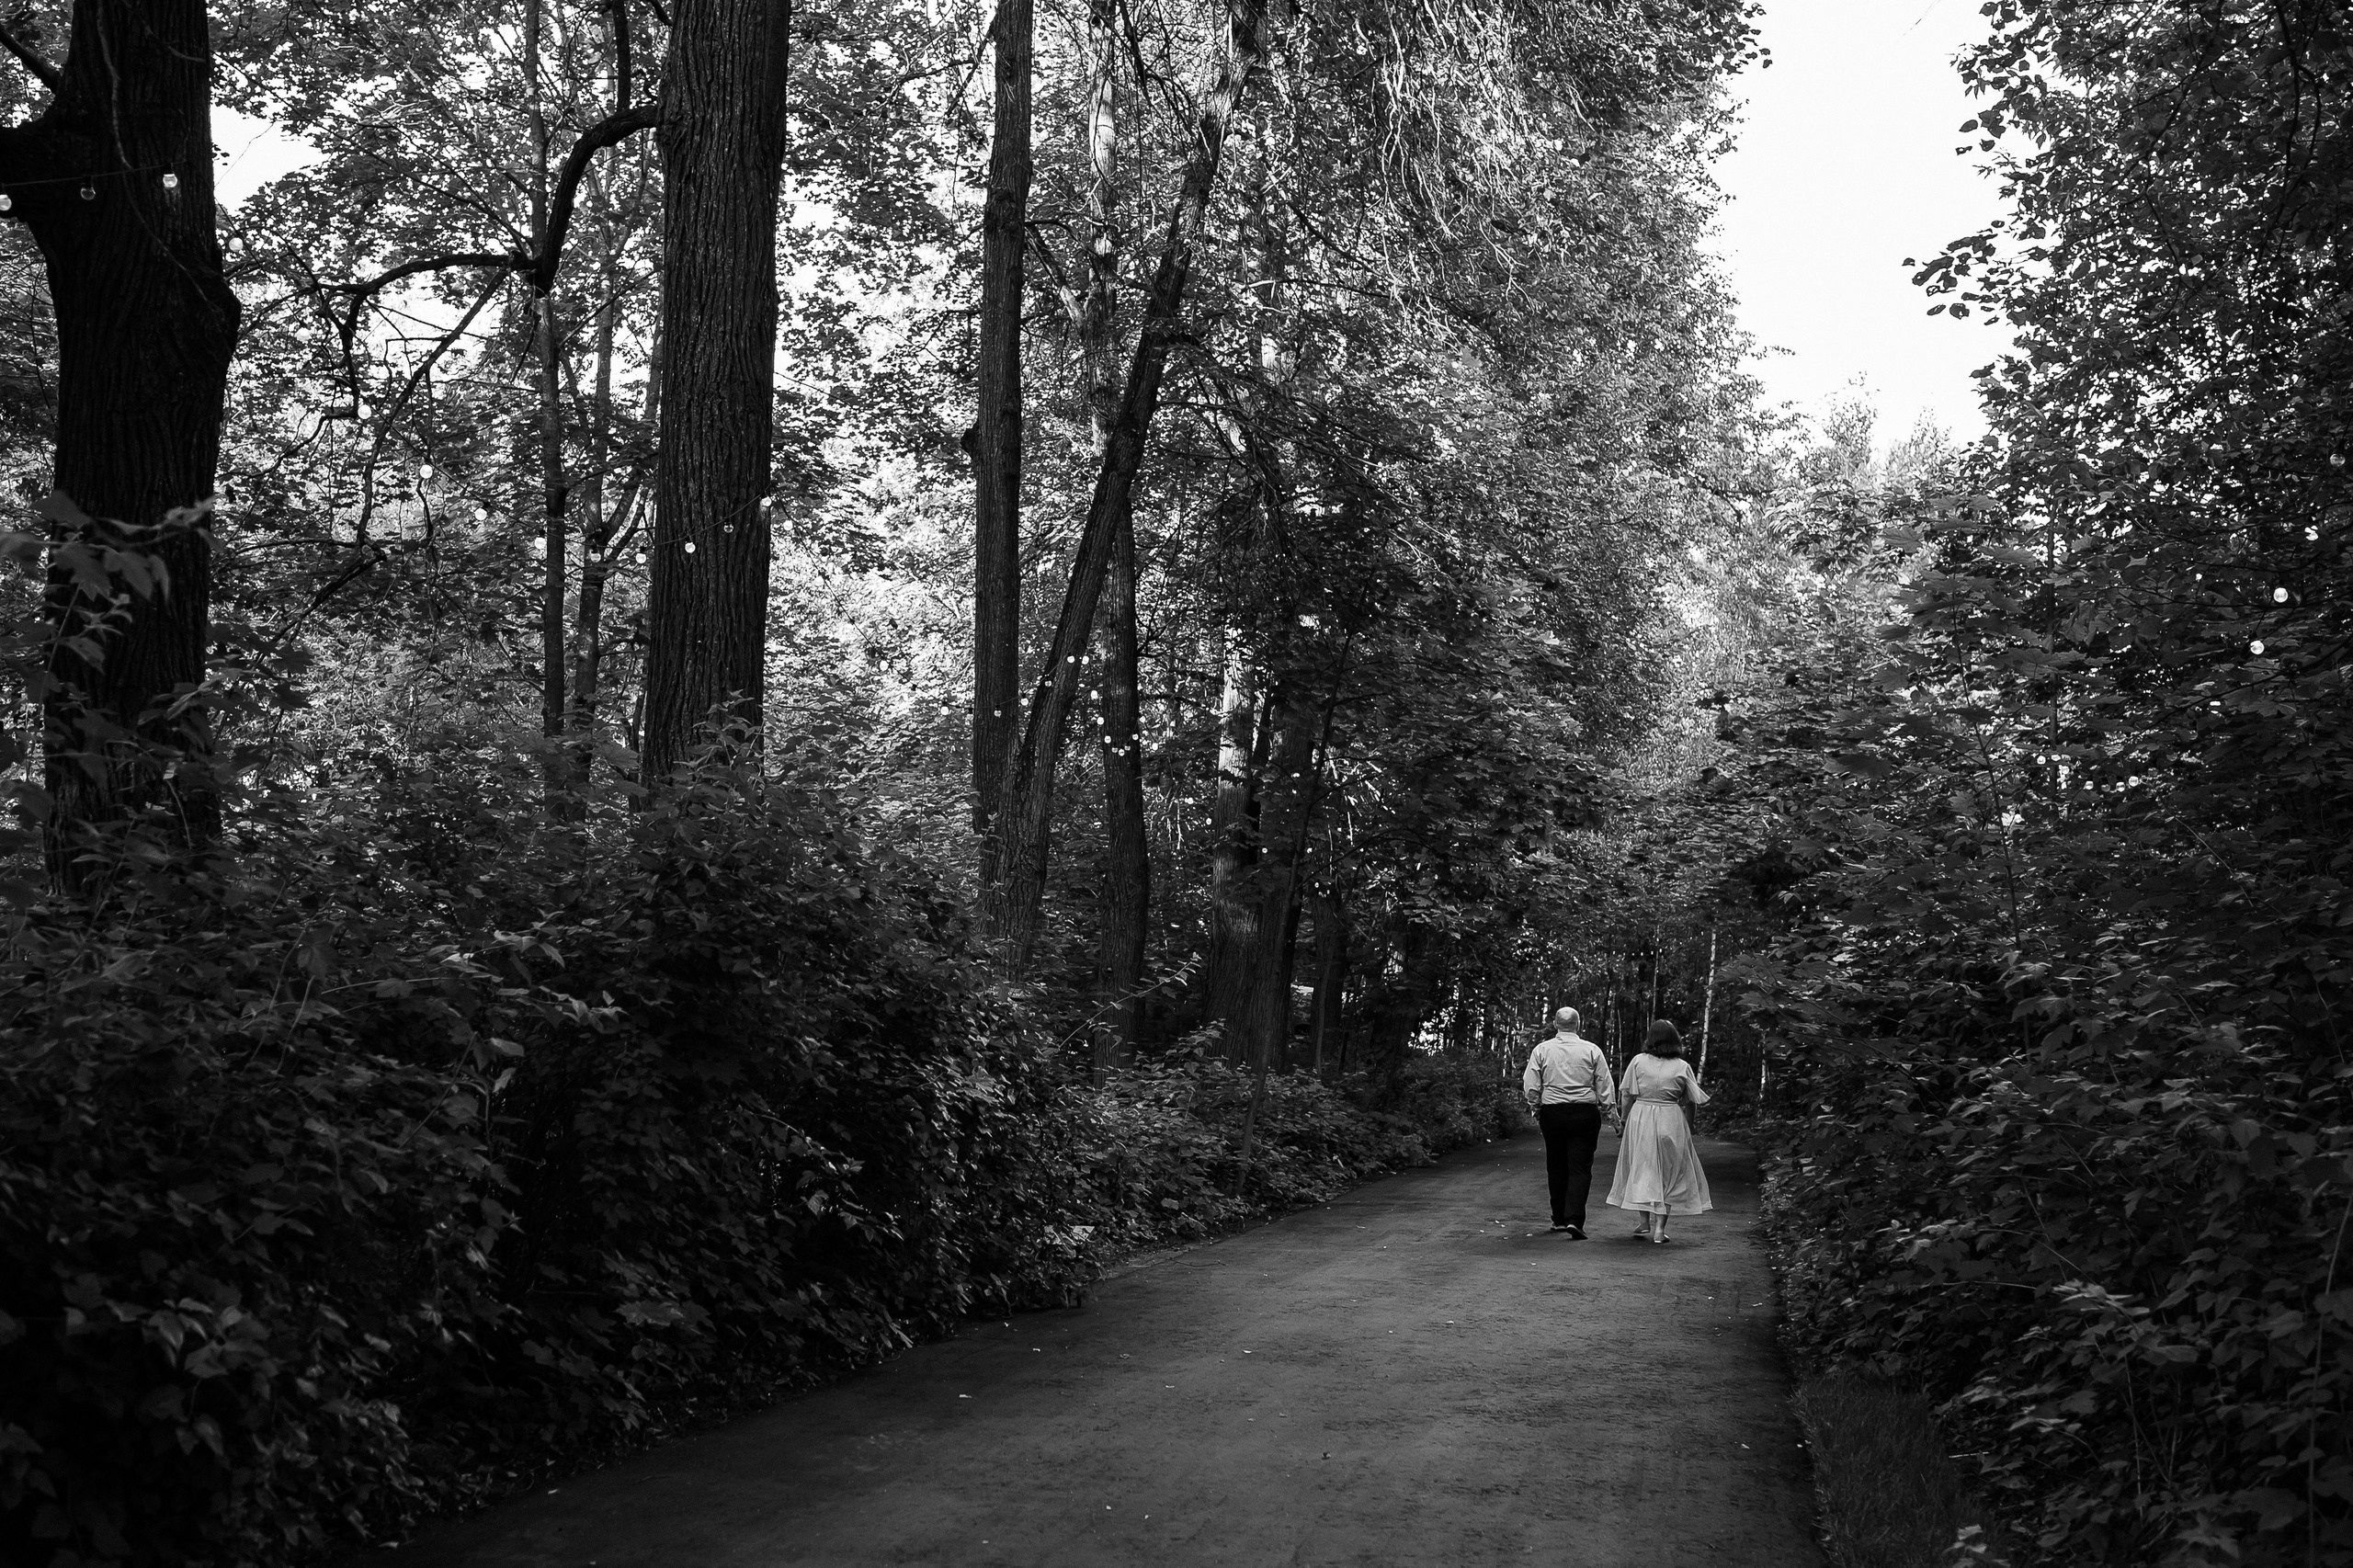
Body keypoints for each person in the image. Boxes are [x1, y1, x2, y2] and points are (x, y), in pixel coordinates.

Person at [1606, 1019, 1713, 1244]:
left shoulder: (1638, 1062)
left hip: (1641, 1117)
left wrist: (1624, 1121)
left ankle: (1644, 1221)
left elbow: (1627, 1095)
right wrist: (1689, 1125)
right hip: (1670, 1118)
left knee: (1643, 1167)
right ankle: (1659, 1230)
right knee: (1668, 1173)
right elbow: (1691, 1101)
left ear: (1651, 1039)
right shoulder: (1682, 1066)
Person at [1521, 1006, 1615, 1238]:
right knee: (1580, 1167)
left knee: (1556, 1164)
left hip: (1553, 1113)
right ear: (1578, 1025)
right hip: (1584, 1113)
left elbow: (1531, 1084)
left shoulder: (1542, 1050)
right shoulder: (1592, 1050)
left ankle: (1560, 1219)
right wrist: (1613, 1116)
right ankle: (1575, 1220)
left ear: (1555, 1025)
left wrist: (1536, 1108)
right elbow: (1604, 1085)